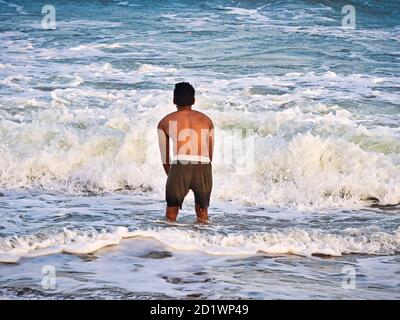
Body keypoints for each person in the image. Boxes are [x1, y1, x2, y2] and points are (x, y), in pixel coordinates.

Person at [157, 82, 214, 223]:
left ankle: (169, 241)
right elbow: (210, 154)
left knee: (171, 212)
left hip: (180, 164)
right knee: (203, 213)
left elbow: (165, 158)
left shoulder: (164, 122)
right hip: (204, 164)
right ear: (194, 101)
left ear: (174, 100)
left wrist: (174, 177)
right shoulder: (207, 121)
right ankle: (205, 242)